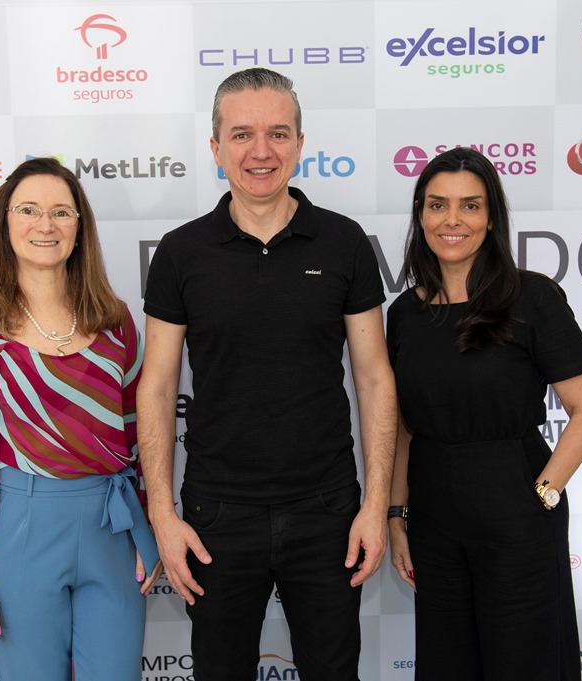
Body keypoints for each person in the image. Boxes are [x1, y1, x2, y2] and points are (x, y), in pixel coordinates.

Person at [137, 67, 397, 681]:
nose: (261, 151)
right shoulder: (181, 252)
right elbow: (157, 387)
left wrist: (375, 505)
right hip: (216, 515)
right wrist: (162, 516)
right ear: (215, 147)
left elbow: (374, 379)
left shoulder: (344, 242)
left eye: (278, 134)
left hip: (328, 510)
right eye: (242, 134)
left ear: (300, 144)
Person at [0, 157, 161, 681]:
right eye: (29, 210)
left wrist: (145, 527)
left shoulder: (115, 322)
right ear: (4, 223)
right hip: (20, 530)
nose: (46, 224)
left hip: (111, 526)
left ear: (80, 227)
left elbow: (137, 436)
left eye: (62, 211)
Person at [386, 146, 582, 680]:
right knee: (447, 664)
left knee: (524, 662)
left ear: (491, 218)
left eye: (470, 205)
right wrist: (396, 515)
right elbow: (403, 430)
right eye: (437, 205)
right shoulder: (405, 314)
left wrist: (542, 495)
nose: (452, 220)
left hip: (516, 503)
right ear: (420, 215)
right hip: (433, 512)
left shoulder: (532, 298)